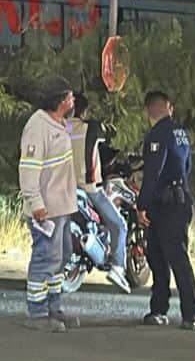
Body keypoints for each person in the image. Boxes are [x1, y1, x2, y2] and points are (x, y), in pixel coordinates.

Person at [18, 78, 80, 332]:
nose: (73, 100)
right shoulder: (38, 126)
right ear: (60, 100)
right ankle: (37, 312)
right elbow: (29, 168)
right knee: (45, 257)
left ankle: (54, 307)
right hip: (46, 210)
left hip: (62, 207)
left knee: (60, 257)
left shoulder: (60, 124)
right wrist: (36, 203)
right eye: (69, 96)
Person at [138, 90, 195, 331]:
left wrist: (142, 205)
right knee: (158, 255)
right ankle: (160, 309)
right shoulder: (181, 133)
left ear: (149, 112)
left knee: (172, 258)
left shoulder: (157, 135)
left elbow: (153, 173)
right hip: (180, 199)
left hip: (166, 204)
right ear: (169, 107)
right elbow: (187, 166)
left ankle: (189, 313)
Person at [67, 93, 131, 293]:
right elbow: (112, 134)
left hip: (62, 188)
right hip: (89, 188)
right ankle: (118, 268)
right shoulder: (91, 127)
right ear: (83, 111)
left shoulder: (57, 129)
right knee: (119, 224)